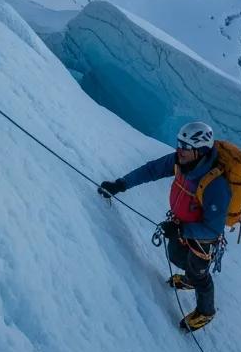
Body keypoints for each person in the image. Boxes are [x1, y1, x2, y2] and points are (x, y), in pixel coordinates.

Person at [99, 121, 231, 331]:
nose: (180, 150)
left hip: (202, 237)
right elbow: (151, 170)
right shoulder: (180, 162)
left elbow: (213, 229)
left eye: (186, 147)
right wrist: (120, 184)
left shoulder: (216, 185)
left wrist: (182, 230)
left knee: (199, 273)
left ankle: (206, 311)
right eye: (180, 143)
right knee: (176, 255)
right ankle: (188, 279)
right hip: (180, 225)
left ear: (200, 151)